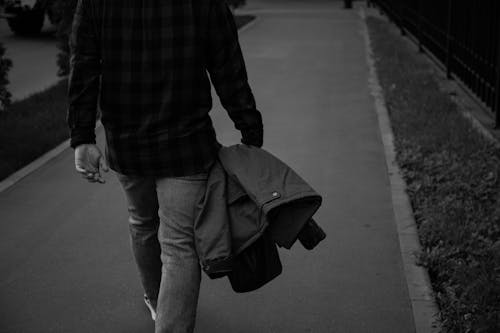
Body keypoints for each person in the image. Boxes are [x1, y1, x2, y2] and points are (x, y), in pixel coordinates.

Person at [68, 0, 263, 332]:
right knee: (180, 246)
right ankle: (167, 312)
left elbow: (84, 65)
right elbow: (227, 64)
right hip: (185, 143)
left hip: (127, 143)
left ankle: (158, 301)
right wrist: (249, 126)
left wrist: (82, 136)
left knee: (142, 223)